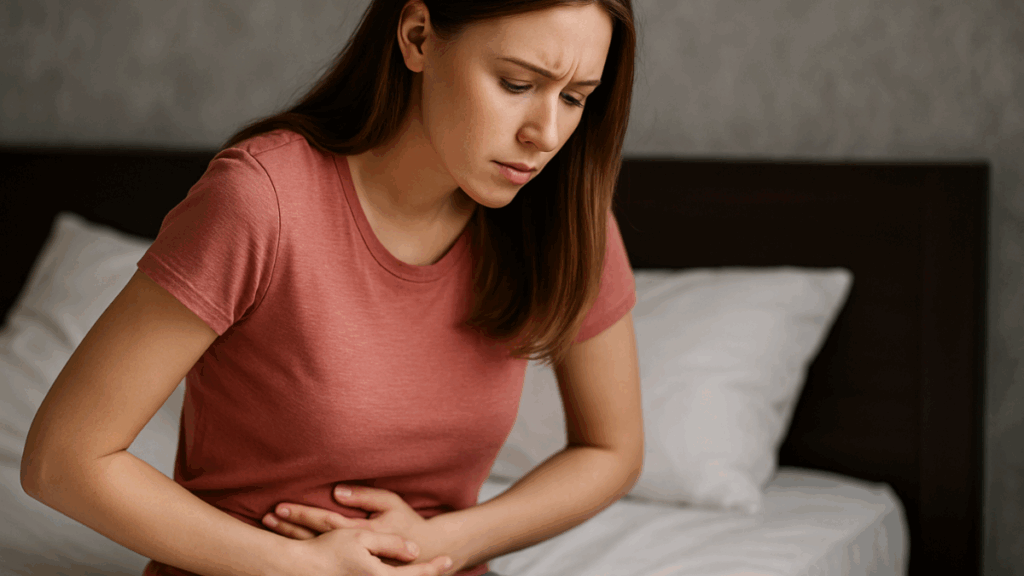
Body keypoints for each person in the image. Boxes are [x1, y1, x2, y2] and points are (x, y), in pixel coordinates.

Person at [20, 1, 643, 575]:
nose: (547, 133)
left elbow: (611, 448)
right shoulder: (263, 199)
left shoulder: (565, 215)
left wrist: (444, 541)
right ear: (418, 37)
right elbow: (64, 461)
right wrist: (305, 567)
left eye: (576, 97)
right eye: (516, 84)